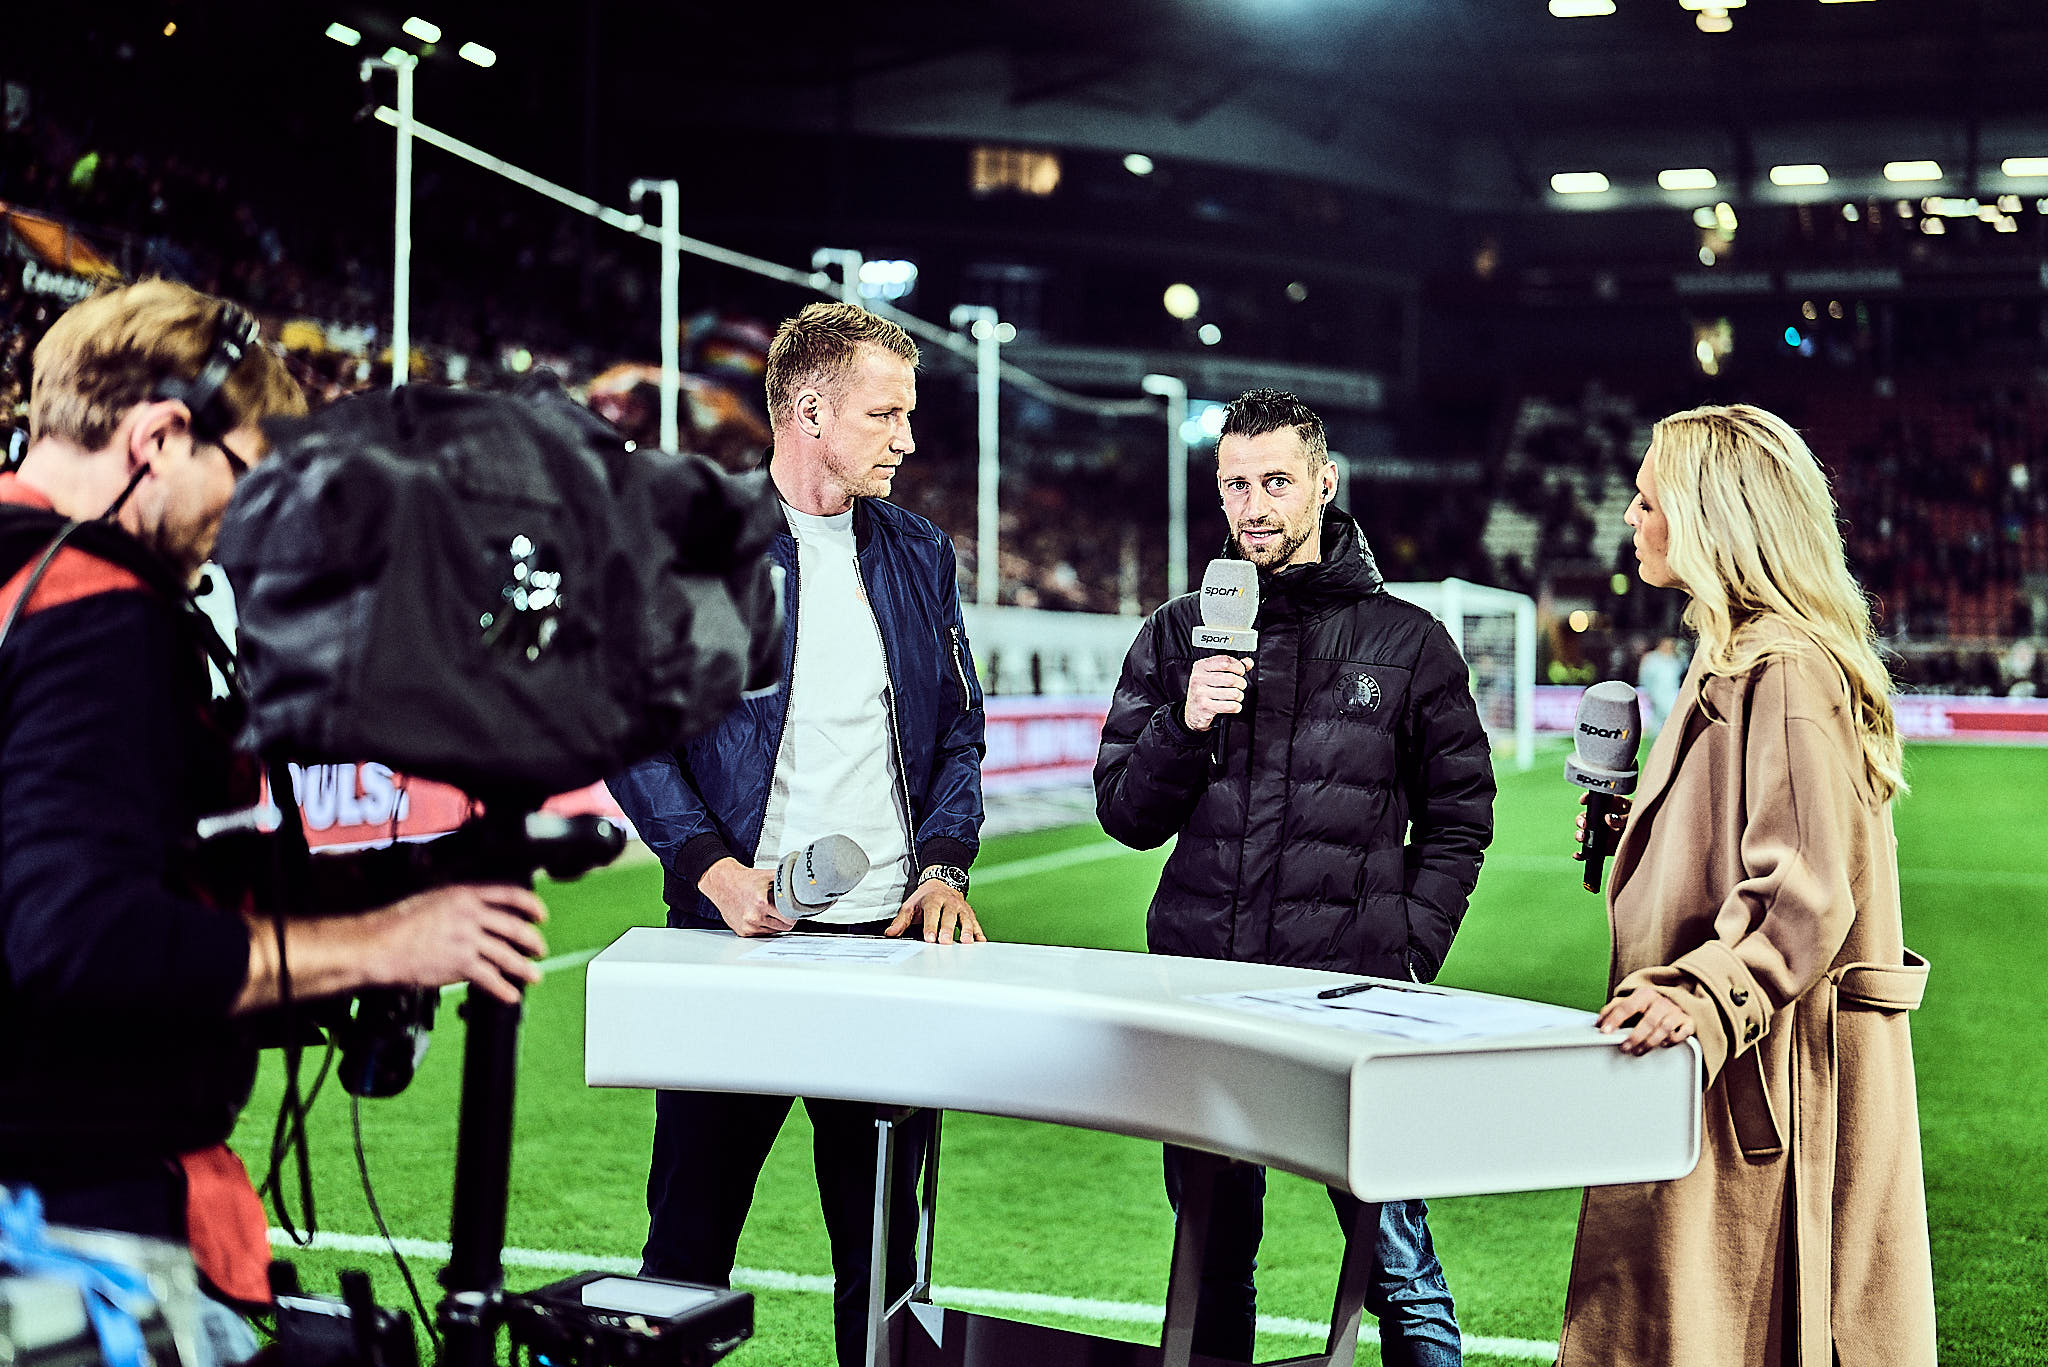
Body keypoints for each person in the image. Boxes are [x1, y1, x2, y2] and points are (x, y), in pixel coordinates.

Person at [0, 281, 549, 1324]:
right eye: (249, 476)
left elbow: (112, 866)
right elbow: (84, 938)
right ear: (160, 437)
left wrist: (390, 883)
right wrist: (389, 941)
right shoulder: (95, 612)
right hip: (64, 1215)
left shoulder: (22, 581)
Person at [608, 301, 986, 1367]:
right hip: (733, 948)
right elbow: (631, 729)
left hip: (886, 952)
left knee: (887, 1268)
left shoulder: (920, 552)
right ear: (810, 411)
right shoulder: (697, 543)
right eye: (884, 414)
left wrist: (943, 867)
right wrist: (712, 869)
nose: (906, 437)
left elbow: (959, 730)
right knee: (683, 1252)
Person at [1094, 389, 1494, 1367]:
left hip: (1350, 1002)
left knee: (1398, 1264)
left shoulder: (1407, 642)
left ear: (1324, 482)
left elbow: (1459, 815)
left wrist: (1406, 950)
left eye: (1275, 480)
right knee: (1211, 1264)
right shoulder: (1177, 634)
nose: (1254, 505)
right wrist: (1184, 721)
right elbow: (1125, 813)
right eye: (1235, 484)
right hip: (1205, 996)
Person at [1558, 404, 1935, 1367]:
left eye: (1648, 501)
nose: (1631, 518)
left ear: (1709, 516)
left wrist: (1702, 996)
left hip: (1767, 1076)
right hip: (1741, 1071)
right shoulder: (1737, 653)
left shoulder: (1786, 667)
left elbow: (1806, 888)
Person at [1636, 634, 1686, 732]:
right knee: (1655, 725)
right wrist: (1648, 695)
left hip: (1671, 696)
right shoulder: (1651, 659)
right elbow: (1644, 678)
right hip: (1654, 695)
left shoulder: (1675, 660)